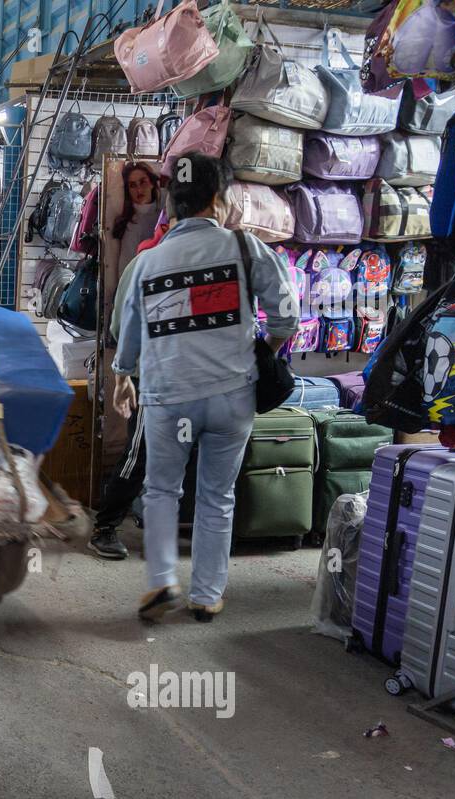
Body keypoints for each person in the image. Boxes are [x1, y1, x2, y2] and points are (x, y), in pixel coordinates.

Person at [112, 152, 297, 623]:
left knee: (160, 492)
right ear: (219, 198)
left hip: (168, 396)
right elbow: (287, 315)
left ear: (171, 202)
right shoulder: (244, 248)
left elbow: (129, 334)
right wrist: (265, 348)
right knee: (217, 495)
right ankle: (206, 595)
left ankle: (160, 584)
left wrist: (122, 378)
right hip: (231, 395)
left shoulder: (147, 263)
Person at [88, 213, 171, 561]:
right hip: (150, 376)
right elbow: (122, 322)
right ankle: (105, 526)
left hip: (187, 379)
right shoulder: (146, 262)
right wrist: (124, 375)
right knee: (140, 454)